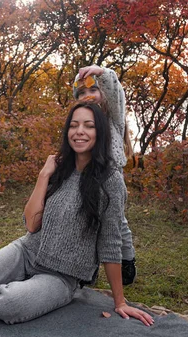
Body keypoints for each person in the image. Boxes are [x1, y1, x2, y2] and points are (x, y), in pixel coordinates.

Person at [0, 102, 153, 327]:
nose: (80, 131)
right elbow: (31, 225)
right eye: (74, 125)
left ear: (100, 133)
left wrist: (119, 302)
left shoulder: (110, 181)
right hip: (26, 251)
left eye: (88, 126)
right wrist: (43, 176)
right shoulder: (59, 170)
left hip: (61, 277)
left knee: (6, 304)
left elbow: (111, 244)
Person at [73, 65, 137, 285]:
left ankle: (127, 261)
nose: (87, 96)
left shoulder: (113, 117)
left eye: (92, 90)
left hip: (111, 177)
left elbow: (114, 90)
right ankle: (87, 269)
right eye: (81, 93)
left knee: (117, 223)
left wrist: (100, 71)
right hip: (88, 177)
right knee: (87, 220)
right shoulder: (81, 123)